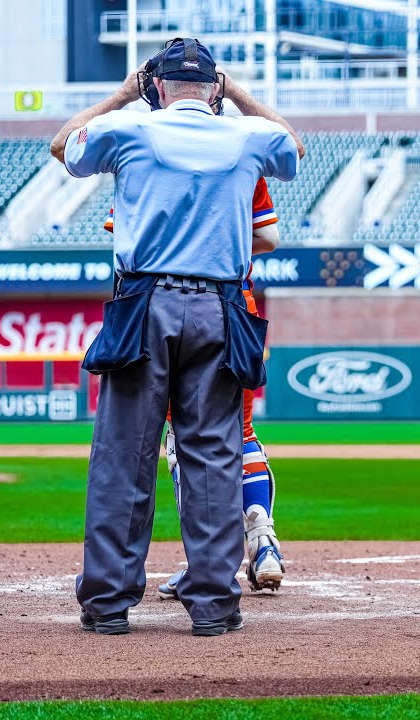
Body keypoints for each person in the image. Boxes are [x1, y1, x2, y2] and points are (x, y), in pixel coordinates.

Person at [50, 37, 302, 636]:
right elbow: (293, 146)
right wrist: (238, 94)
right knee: (213, 455)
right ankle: (214, 605)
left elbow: (62, 145)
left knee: (125, 455)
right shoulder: (246, 136)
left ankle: (109, 603)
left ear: (157, 86)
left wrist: (123, 94)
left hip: (144, 304)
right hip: (221, 306)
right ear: (213, 89)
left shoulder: (130, 128)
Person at [102, 178, 287, 598]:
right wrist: (218, 245)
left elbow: (124, 238)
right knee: (239, 433)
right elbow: (269, 237)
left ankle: (205, 565)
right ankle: (263, 539)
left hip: (159, 306)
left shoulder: (145, 154)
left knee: (183, 438)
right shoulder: (244, 156)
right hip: (234, 307)